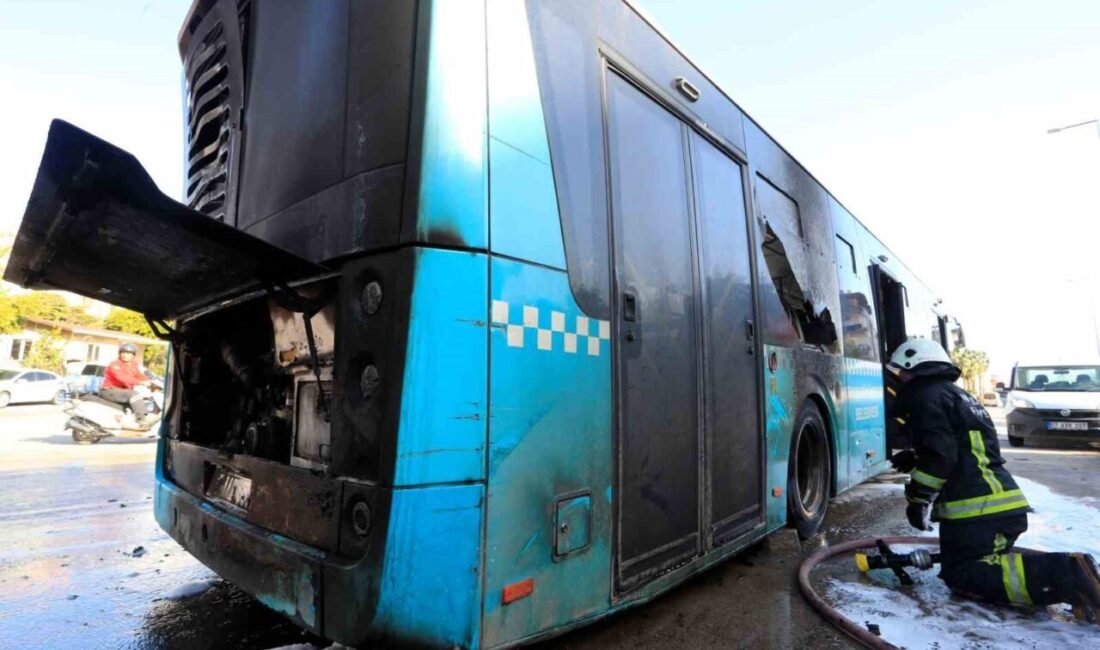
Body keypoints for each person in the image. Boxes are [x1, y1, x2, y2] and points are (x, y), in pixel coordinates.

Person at [888, 338, 1100, 622]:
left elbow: (942, 456)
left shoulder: (924, 397)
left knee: (965, 573)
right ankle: (1069, 575)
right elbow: (965, 449)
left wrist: (918, 498)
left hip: (979, 509)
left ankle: (1066, 574)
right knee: (964, 569)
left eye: (900, 371)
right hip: (995, 504)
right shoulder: (957, 396)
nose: (898, 378)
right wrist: (917, 456)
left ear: (914, 367)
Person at [99, 343, 153, 422]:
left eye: (128, 353)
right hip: (109, 391)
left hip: (122, 391)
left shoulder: (133, 364)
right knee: (134, 394)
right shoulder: (114, 365)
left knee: (137, 402)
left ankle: (132, 422)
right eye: (123, 352)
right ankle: (141, 419)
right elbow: (123, 378)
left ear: (133, 355)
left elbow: (138, 374)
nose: (124, 355)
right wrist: (141, 382)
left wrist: (150, 381)